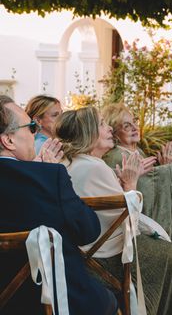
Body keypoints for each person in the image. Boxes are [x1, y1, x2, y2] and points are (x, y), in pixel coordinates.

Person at [56, 107, 172, 315]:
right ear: (88, 132)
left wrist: (119, 183)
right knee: (168, 253)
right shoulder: (93, 167)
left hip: (80, 251)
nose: (109, 128)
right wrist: (130, 184)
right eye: (101, 123)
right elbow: (129, 220)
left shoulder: (70, 163)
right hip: (102, 257)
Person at [0, 95, 117, 315]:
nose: (34, 134)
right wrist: (51, 175)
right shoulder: (49, 176)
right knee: (109, 298)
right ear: (8, 140)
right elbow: (88, 231)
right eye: (31, 127)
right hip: (56, 301)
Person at [101, 103, 172, 312]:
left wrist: (165, 165)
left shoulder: (135, 150)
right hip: (144, 221)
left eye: (135, 122)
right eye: (126, 125)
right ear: (114, 132)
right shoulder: (118, 156)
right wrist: (167, 167)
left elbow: (149, 184)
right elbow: (142, 194)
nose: (134, 127)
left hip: (149, 215)